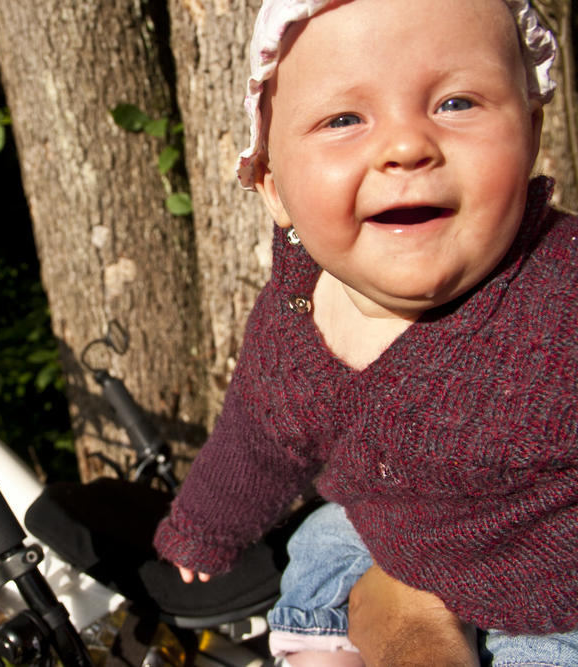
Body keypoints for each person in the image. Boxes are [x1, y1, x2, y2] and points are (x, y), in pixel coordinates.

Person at [151, 0, 578, 664]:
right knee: (321, 542)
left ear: (531, 125)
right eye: (344, 119)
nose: (406, 146)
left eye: (457, 103)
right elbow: (257, 436)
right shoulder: (295, 319)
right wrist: (206, 525)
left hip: (549, 590)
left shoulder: (560, 289)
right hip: (379, 535)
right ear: (274, 185)